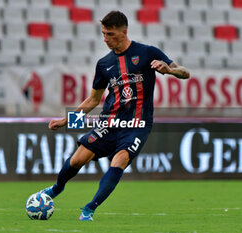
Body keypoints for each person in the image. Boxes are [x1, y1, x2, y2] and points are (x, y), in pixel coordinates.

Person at [41, 10, 190, 221]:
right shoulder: (104, 64)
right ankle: (56, 189)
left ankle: (89, 209)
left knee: (119, 160)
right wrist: (66, 120)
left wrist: (170, 70)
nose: (105, 39)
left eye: (110, 34)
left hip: (138, 124)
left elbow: (185, 73)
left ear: (124, 31)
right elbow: (93, 99)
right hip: (109, 122)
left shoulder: (147, 53)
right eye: (103, 33)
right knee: (77, 160)